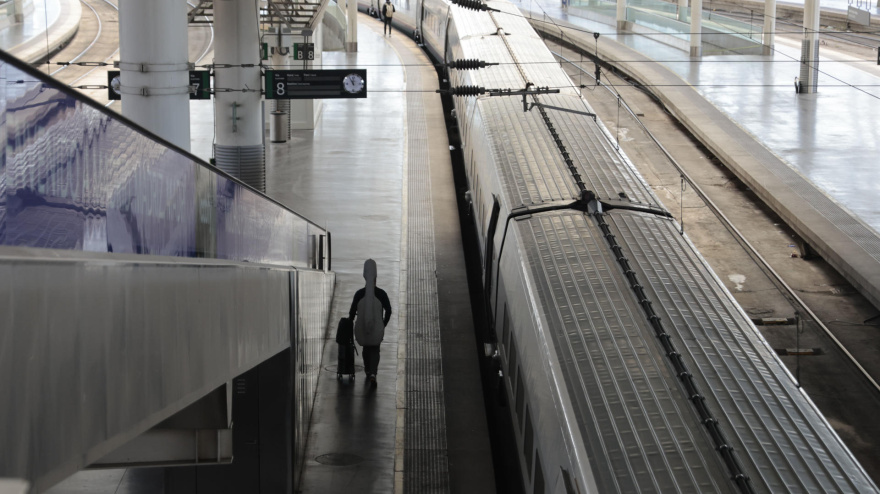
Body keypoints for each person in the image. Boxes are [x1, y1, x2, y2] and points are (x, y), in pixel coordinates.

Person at [349, 259, 392, 387]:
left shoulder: (359, 294)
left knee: (366, 349)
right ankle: (373, 372)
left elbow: (352, 312)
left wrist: (351, 323)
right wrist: (383, 324)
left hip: (362, 328)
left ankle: (368, 370)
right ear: (375, 277)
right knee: (375, 349)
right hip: (377, 329)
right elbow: (389, 310)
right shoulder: (381, 294)